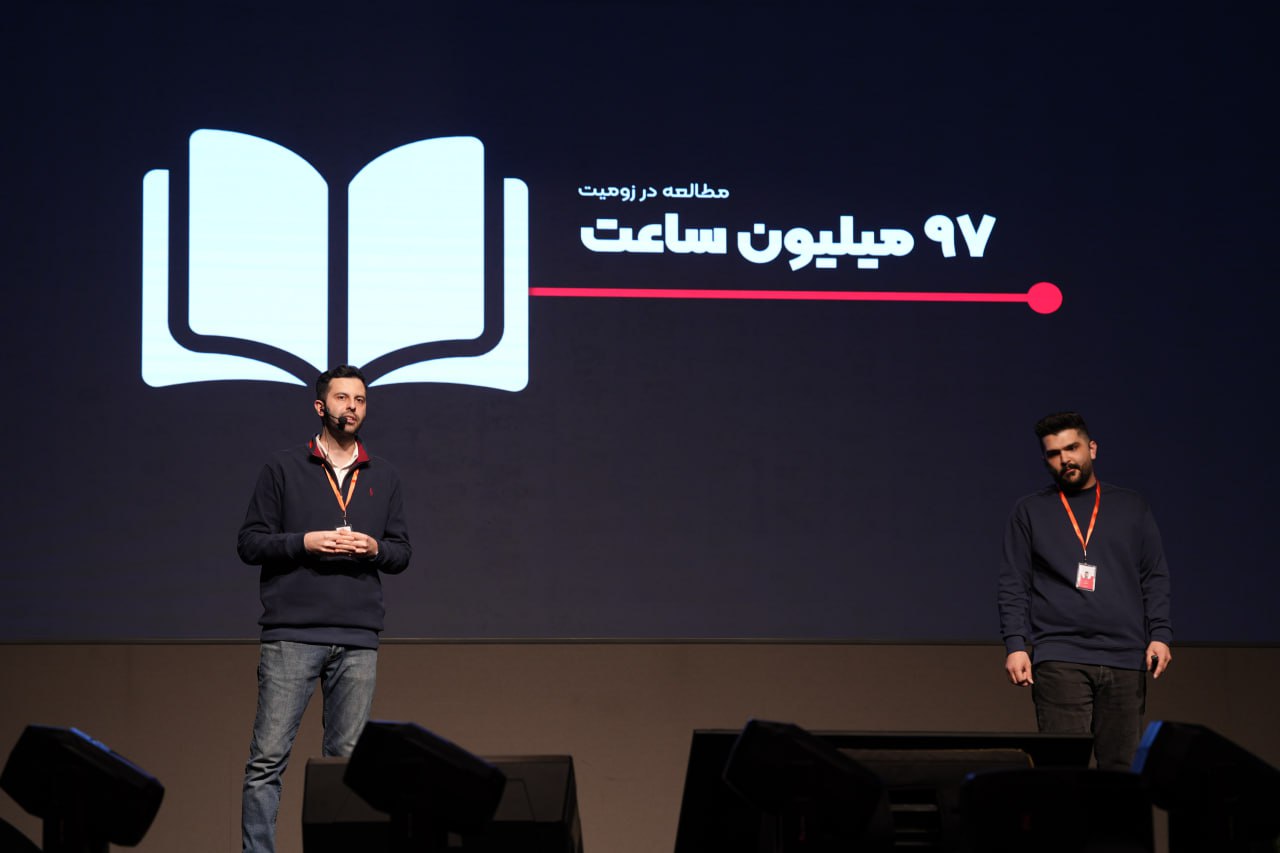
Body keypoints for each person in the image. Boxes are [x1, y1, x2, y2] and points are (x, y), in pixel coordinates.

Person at [238, 365, 412, 853]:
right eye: (341, 398)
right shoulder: (283, 468)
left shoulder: (384, 475)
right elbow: (250, 543)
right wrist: (304, 542)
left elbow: (402, 552)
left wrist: (374, 548)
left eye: (360, 399)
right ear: (320, 406)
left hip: (357, 637)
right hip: (292, 634)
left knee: (347, 765)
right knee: (267, 761)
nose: (351, 407)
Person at [998, 412, 1172, 771]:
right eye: (1054, 453)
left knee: (1120, 772)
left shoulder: (1131, 506)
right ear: (1046, 459)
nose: (1065, 459)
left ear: (1092, 448)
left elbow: (1154, 575)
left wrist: (1160, 634)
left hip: (1125, 657)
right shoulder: (1030, 510)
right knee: (1063, 772)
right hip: (1060, 656)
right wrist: (1015, 644)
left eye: (1072, 448)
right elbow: (1014, 581)